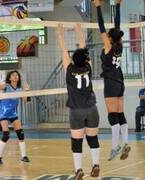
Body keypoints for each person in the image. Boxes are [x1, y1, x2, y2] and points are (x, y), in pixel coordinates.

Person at [56, 24, 100, 180]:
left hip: (76, 111)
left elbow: (63, 50)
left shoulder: (69, 69)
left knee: (76, 141)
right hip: (91, 109)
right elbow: (84, 49)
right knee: (92, 139)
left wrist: (60, 34)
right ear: (86, 59)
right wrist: (79, 31)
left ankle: (79, 170)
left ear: (73, 60)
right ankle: (96, 165)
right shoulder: (89, 67)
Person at [93, 0, 130, 161]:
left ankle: (115, 147)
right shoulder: (119, 46)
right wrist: (118, 6)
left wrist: (98, 7)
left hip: (111, 83)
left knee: (112, 116)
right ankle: (126, 142)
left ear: (109, 37)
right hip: (120, 83)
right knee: (120, 114)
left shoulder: (108, 45)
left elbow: (101, 27)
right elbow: (116, 26)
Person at [0, 70, 30, 165]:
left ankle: (24, 156)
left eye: (17, 75)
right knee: (6, 134)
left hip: (13, 113)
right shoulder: (7, 86)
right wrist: (1, 84)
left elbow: (26, 101)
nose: (15, 76)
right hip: (4, 113)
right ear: (9, 78)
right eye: (13, 75)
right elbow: (0, 86)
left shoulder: (20, 89)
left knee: (20, 134)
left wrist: (27, 92)